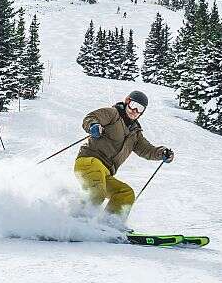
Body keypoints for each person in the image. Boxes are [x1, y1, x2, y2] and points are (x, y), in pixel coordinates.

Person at [74, 90, 174, 221]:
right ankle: (76, 221)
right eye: (134, 105)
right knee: (97, 193)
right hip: (89, 161)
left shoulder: (135, 134)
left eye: (140, 109)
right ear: (127, 101)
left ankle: (109, 225)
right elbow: (91, 117)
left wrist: (162, 153)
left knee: (125, 193)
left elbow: (147, 150)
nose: (135, 111)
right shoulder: (113, 114)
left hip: (105, 172)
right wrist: (93, 125)